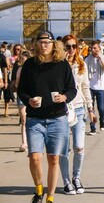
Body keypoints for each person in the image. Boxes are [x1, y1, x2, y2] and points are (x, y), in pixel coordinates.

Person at [17, 30, 77, 203]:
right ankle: (38, 189)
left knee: (53, 158)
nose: (44, 45)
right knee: (35, 157)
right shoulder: (30, 64)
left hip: (57, 118)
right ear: (36, 44)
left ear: (54, 45)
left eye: (47, 42)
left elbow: (72, 88)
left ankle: (50, 197)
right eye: (41, 42)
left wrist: (65, 97)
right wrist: (29, 100)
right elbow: (21, 90)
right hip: (35, 118)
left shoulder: (62, 65)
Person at [60, 35, 96, 195]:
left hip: (79, 108)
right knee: (63, 150)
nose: (72, 50)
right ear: (62, 48)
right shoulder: (57, 65)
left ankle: (76, 177)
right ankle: (66, 181)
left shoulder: (81, 63)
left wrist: (90, 108)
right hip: (62, 110)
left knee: (79, 147)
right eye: (68, 47)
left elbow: (85, 86)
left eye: (74, 46)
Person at [85, 40, 104, 134]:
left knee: (101, 108)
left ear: (99, 48)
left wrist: (100, 59)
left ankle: (102, 121)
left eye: (95, 48)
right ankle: (93, 127)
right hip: (90, 86)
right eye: (92, 48)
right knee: (91, 108)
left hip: (100, 87)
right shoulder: (87, 59)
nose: (93, 50)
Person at [14, 50, 31, 152]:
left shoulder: (34, 69)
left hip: (32, 96)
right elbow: (16, 83)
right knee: (24, 120)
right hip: (22, 96)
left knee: (32, 119)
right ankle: (24, 142)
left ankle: (32, 141)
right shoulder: (20, 69)